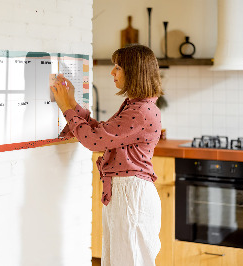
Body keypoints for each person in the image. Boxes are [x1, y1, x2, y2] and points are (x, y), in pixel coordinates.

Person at [51, 44, 163, 266]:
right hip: (126, 193)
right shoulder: (136, 106)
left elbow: (94, 141)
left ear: (134, 72)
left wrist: (66, 108)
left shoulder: (140, 111)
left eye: (118, 67)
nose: (112, 72)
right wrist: (72, 103)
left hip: (131, 195)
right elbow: (102, 134)